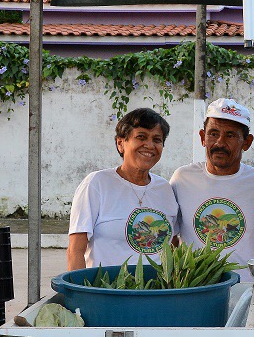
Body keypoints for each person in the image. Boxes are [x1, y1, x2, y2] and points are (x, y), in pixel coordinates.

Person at [170, 98, 254, 276]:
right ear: (203, 137)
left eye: (230, 135)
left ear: (247, 142)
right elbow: (169, 237)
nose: (220, 142)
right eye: (213, 133)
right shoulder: (182, 179)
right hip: (196, 291)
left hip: (246, 292)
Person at [67, 108, 178, 269]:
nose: (149, 145)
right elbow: (75, 250)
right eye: (141, 137)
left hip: (157, 291)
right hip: (108, 290)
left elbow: (173, 245)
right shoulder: (97, 184)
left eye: (157, 139)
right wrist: (80, 292)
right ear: (121, 143)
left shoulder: (165, 189)